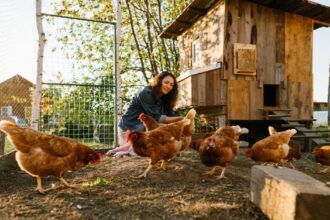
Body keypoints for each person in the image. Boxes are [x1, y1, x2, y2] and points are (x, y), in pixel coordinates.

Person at [106, 71, 183, 157]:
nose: (168, 86)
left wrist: (182, 122)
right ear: (159, 82)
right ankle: (122, 151)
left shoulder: (165, 98)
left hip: (142, 130)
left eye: (171, 85)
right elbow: (157, 118)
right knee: (143, 146)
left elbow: (171, 115)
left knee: (156, 134)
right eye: (166, 82)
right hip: (128, 130)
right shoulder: (146, 93)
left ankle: (121, 150)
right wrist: (181, 119)